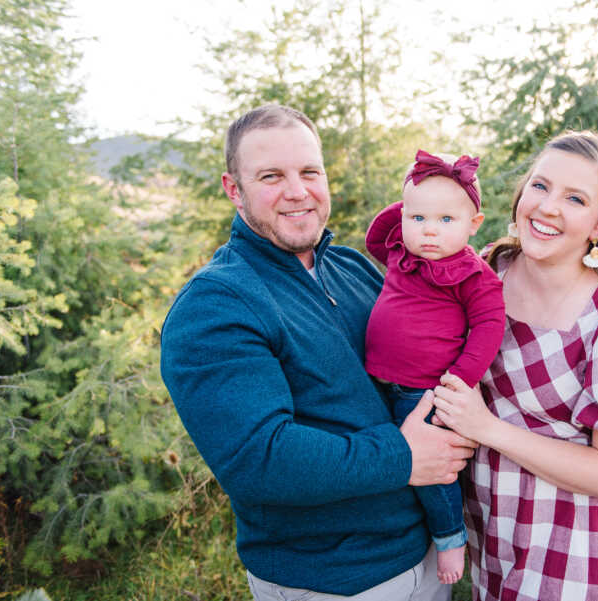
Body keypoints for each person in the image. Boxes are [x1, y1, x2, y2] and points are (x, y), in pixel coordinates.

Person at [160, 104, 477, 601]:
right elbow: (259, 460)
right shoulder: (215, 305)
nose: (297, 190)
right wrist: (403, 455)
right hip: (336, 580)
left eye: (310, 171)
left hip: (428, 559)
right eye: (271, 176)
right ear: (233, 189)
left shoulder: (351, 267)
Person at [431, 131, 598, 601]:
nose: (547, 208)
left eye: (575, 199)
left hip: (575, 550)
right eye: (540, 187)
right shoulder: (485, 272)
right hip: (493, 534)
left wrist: (486, 427)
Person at [364, 150, 506, 584]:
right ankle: (396, 534)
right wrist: (412, 199)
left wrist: (460, 379)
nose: (429, 230)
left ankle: (450, 539)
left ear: (473, 225)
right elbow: (375, 236)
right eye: (418, 218)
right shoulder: (398, 254)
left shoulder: (472, 274)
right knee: (388, 461)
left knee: (433, 473)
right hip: (376, 383)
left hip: (426, 391)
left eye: (447, 220)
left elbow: (489, 325)